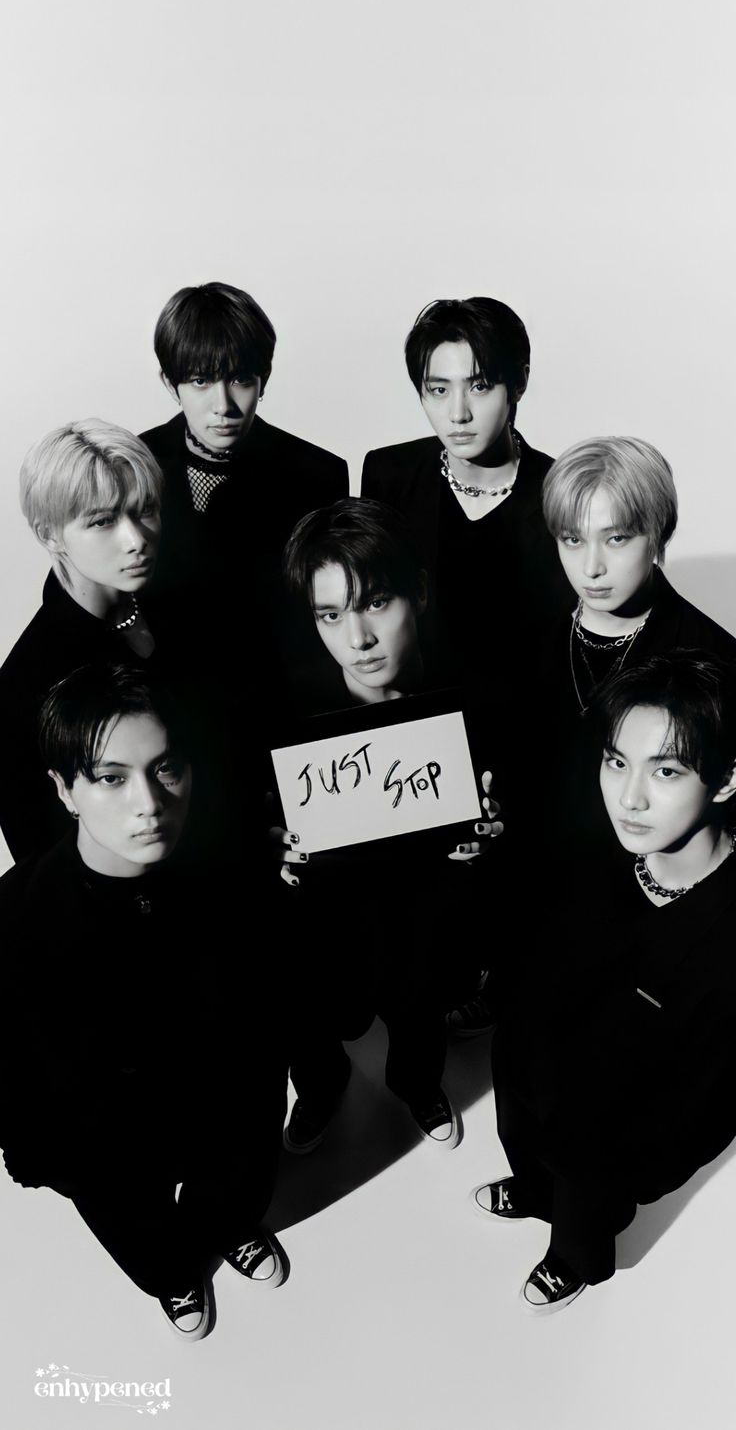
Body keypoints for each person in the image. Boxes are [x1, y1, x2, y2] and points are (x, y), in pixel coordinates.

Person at [0, 664, 288, 1341]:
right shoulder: (16, 918)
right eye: (111, 777)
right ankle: (178, 1275)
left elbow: (279, 1007)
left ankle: (227, 1232)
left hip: (225, 1121)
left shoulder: (235, 876)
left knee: (235, 1197)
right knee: (157, 1255)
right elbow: (13, 1084)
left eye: (166, 769)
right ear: (64, 790)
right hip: (112, 1152)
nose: (149, 804)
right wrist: (63, 1163)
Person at [471, 651, 736, 1312]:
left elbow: (710, 1107)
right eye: (617, 762)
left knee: (584, 1222)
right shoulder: (596, 843)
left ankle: (573, 1262)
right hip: (537, 1079)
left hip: (615, 1144)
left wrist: (620, 1172)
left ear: (727, 779)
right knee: (531, 1154)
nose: (629, 797)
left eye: (666, 771)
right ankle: (532, 1189)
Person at [275, 498, 501, 1155]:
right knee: (309, 1003)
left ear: (419, 594)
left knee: (420, 1005)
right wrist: (276, 851)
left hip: (430, 917)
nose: (358, 639)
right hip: (328, 921)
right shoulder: (286, 709)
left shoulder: (477, 695)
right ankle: (319, 1088)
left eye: (376, 602)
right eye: (331, 615)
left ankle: (417, 1082)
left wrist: (490, 835)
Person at [535, 435, 736, 860]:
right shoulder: (528, 644)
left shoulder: (716, 658)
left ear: (657, 533)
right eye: (573, 539)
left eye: (617, 538)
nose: (591, 568)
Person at [361, 296, 573, 695]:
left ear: (519, 383)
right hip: (416, 717)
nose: (458, 413)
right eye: (439, 390)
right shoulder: (388, 475)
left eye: (479, 386)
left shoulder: (561, 492)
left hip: (527, 719)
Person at [141, 281, 349, 664]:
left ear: (263, 379)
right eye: (200, 381)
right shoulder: (135, 465)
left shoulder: (318, 475)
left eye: (240, 379)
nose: (223, 405)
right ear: (171, 384)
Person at [0, 420, 166, 862]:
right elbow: (43, 861)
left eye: (144, 510)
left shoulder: (186, 613)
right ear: (49, 535)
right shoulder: (24, 683)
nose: (136, 540)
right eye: (103, 521)